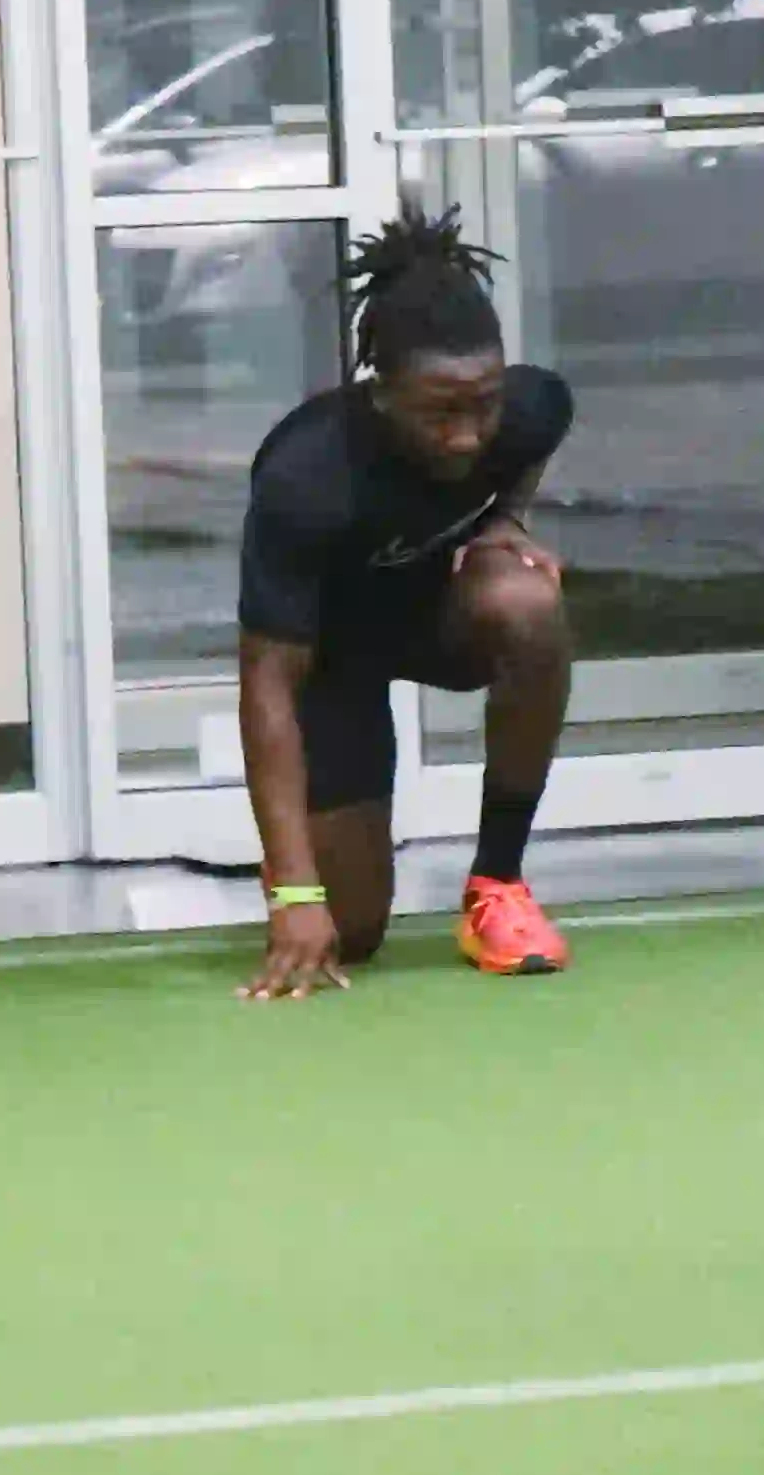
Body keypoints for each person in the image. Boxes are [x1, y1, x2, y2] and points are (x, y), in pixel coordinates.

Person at [228, 207, 577, 995]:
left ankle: (497, 885)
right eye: (440, 412)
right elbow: (268, 684)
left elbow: (545, 417)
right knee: (347, 934)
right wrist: (295, 893)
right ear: (381, 394)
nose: (468, 434)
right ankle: (303, 859)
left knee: (527, 601)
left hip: (433, 620)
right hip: (329, 659)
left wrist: (506, 520)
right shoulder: (306, 475)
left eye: (484, 404)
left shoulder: (523, 410)